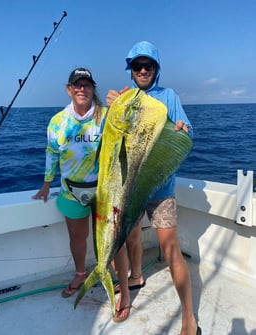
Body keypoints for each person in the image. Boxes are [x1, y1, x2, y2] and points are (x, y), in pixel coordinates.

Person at [106, 41, 201, 335]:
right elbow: (111, 141)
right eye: (137, 66)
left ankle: (189, 318)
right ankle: (128, 287)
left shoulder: (168, 96)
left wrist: (183, 129)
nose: (143, 70)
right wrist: (111, 109)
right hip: (129, 189)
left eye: (148, 66)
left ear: (156, 69)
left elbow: (188, 131)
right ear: (131, 70)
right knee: (121, 241)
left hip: (161, 188)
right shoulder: (123, 98)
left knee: (170, 249)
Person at [33, 67, 107, 298]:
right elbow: (51, 153)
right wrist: (46, 183)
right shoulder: (57, 122)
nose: (82, 89)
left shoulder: (106, 117)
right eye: (77, 84)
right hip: (71, 190)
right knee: (77, 237)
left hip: (104, 189)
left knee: (108, 235)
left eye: (86, 84)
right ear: (69, 89)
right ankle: (80, 273)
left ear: (93, 88)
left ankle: (111, 271)